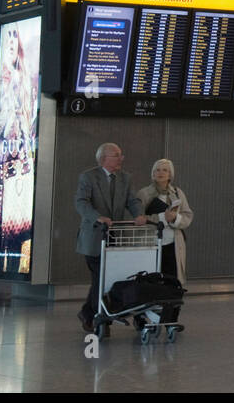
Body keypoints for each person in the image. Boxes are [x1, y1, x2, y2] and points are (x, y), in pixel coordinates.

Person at [74, 143, 146, 334]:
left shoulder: (125, 178)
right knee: (100, 278)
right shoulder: (88, 177)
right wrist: (97, 217)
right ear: (104, 158)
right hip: (93, 238)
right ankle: (97, 317)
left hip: (115, 237)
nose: (121, 159)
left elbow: (132, 200)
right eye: (117, 155)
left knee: (109, 278)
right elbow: (81, 202)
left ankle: (91, 315)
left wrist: (139, 215)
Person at [135, 159, 193, 327]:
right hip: (151, 244)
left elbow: (188, 216)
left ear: (170, 175)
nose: (160, 173)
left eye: (164, 170)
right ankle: (145, 317)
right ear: (152, 173)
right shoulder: (144, 194)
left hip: (173, 245)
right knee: (150, 281)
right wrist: (161, 218)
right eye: (157, 170)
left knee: (173, 281)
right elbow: (139, 220)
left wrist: (175, 218)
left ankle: (171, 318)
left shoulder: (178, 193)